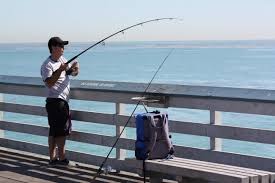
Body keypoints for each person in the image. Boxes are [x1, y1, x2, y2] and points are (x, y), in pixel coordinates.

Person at [40, 36, 79, 166]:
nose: (63, 49)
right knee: (60, 131)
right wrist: (60, 70)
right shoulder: (47, 65)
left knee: (55, 130)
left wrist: (74, 69)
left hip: (62, 101)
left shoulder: (62, 59)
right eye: (61, 46)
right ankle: (60, 158)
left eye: (63, 46)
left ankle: (53, 158)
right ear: (53, 48)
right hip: (55, 101)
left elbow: (70, 73)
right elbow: (49, 83)